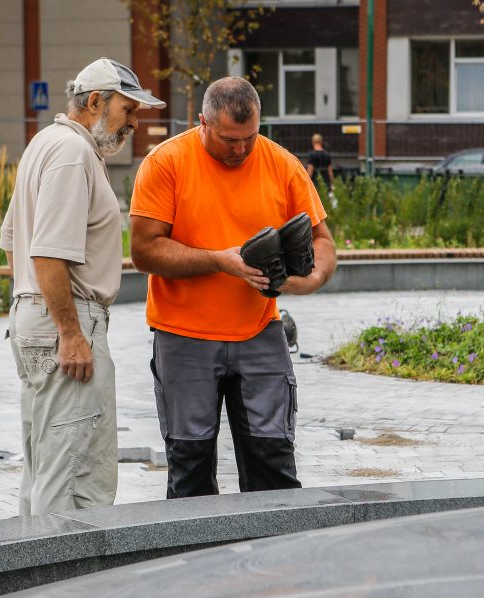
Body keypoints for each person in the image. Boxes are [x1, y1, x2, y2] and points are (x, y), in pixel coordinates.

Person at [129, 76, 337, 498]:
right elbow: (144, 251)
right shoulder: (165, 163)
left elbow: (323, 241)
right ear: (201, 121)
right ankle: (196, 563)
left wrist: (312, 278)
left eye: (250, 138)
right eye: (229, 140)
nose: (241, 149)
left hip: (260, 332)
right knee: (190, 470)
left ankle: (276, 564)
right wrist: (219, 262)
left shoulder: (281, 163)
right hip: (183, 337)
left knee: (274, 464)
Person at [0, 58, 165, 516]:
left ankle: (32, 574)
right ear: (96, 101)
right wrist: (70, 333)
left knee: (45, 466)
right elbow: (47, 253)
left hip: (35, 315)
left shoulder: (44, 144)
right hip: (66, 321)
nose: (134, 122)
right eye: (128, 111)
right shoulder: (73, 154)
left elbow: (13, 243)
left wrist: (34, 301)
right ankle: (64, 582)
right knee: (74, 476)